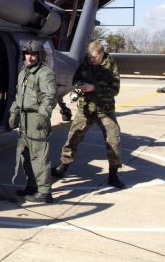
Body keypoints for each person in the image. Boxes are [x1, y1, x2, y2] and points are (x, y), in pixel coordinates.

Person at [52, 40, 125, 188]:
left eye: (94, 58)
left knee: (113, 140)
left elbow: (115, 90)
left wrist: (94, 88)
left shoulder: (111, 67)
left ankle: (113, 175)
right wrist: (78, 88)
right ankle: (63, 167)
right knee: (73, 137)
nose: (91, 60)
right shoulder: (86, 63)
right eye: (90, 57)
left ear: (102, 53)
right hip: (86, 108)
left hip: (105, 110)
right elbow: (76, 79)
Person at [9, 39, 57, 203]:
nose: (30, 57)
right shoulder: (23, 73)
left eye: (33, 54)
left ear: (39, 55)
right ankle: (32, 185)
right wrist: (13, 112)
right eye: (27, 54)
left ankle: (44, 191)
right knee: (26, 154)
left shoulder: (45, 74)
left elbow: (49, 98)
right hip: (24, 119)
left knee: (39, 155)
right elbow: (19, 96)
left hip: (36, 118)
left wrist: (43, 116)